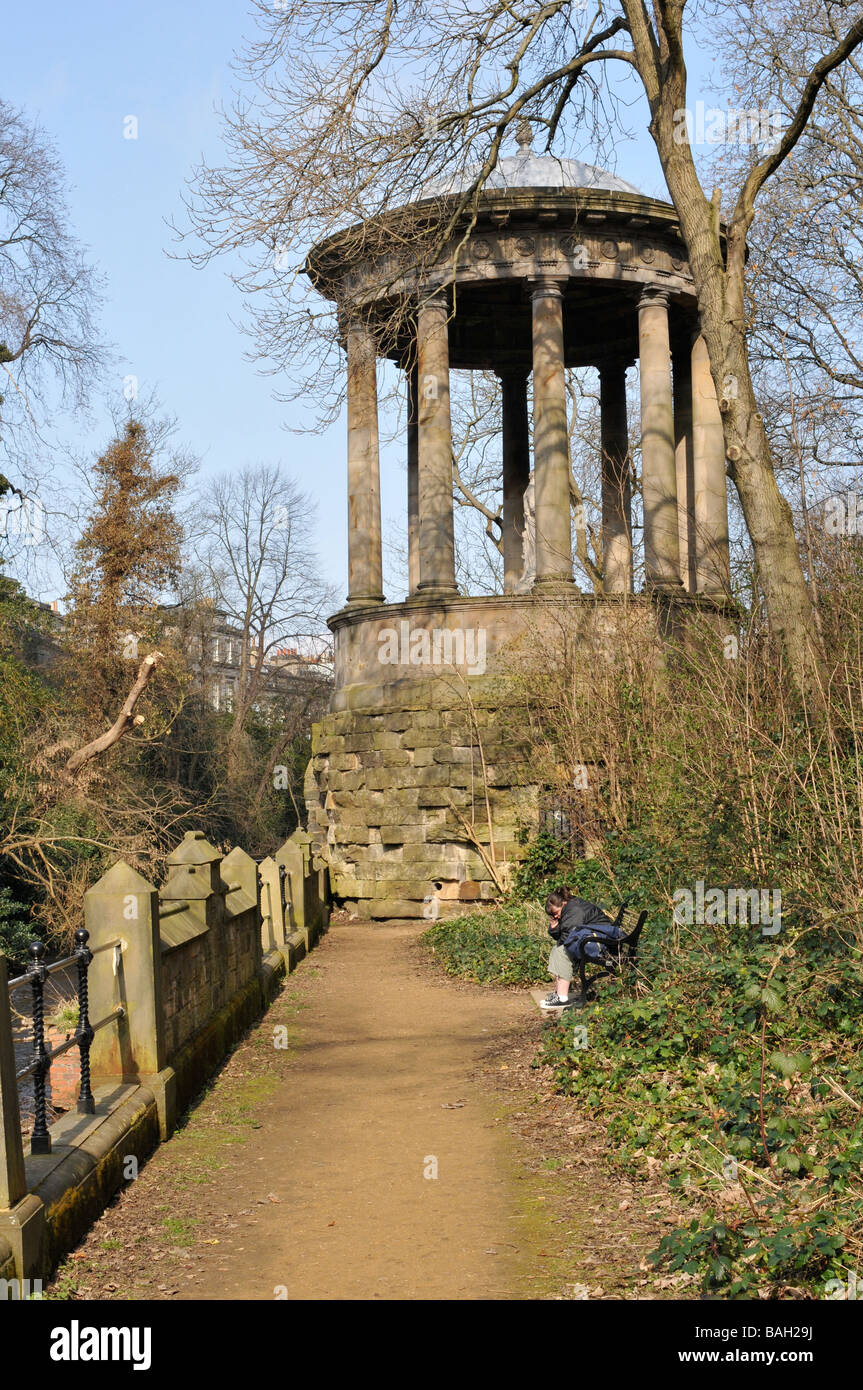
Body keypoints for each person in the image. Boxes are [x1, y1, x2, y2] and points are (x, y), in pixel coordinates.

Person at [540, 885, 619, 1009]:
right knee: (558, 949)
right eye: (552, 915)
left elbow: (567, 936)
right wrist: (554, 927)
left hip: (602, 942)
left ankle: (562, 998)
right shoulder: (569, 908)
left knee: (562, 952)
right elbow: (563, 934)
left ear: (563, 903)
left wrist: (558, 933)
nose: (555, 917)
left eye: (555, 913)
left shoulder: (574, 910)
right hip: (592, 938)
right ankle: (559, 993)